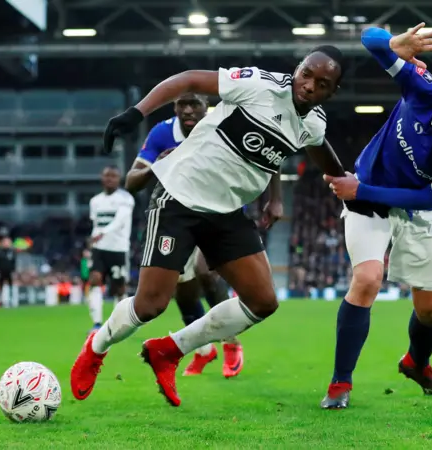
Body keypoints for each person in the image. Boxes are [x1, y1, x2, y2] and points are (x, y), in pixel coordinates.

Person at [71, 46, 347, 406]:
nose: (310, 86)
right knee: (151, 304)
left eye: (322, 83)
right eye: (306, 74)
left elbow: (313, 145)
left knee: (263, 301)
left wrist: (343, 181)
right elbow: (189, 80)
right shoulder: (259, 85)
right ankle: (96, 347)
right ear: (297, 69)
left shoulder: (313, 122)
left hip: (227, 212)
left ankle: (169, 350)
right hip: (179, 197)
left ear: (331, 92)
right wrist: (136, 113)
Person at [321, 23, 432, 408]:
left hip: (408, 205)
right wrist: (392, 43)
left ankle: (418, 362)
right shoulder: (425, 89)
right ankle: (340, 384)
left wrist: (358, 189)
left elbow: (425, 199)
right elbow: (369, 39)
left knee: (431, 312)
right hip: (368, 199)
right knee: (367, 279)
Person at [125, 93, 257, 378]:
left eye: (194, 103)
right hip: (179, 217)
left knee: (205, 271)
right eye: (181, 104)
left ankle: (231, 343)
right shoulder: (163, 132)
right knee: (183, 291)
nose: (187, 110)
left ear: (206, 106)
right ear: (173, 107)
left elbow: (264, 154)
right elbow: (131, 181)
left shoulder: (222, 126)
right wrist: (155, 165)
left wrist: (273, 199)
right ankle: (203, 351)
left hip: (220, 212)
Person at [86, 166, 135, 332]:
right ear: (102, 178)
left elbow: (120, 220)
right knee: (94, 281)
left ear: (119, 179)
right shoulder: (95, 201)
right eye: (107, 176)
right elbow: (96, 224)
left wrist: (103, 232)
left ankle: (119, 325)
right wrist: (93, 240)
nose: (110, 179)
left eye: (113, 176)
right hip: (99, 249)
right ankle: (97, 324)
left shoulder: (125, 199)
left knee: (119, 290)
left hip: (118, 249)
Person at [0, 237, 16, 307]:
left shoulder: (12, 252)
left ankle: (11, 299)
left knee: (11, 286)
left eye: (8, 242)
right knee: (0, 286)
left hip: (9, 272)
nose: (6, 244)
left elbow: (13, 262)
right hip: (1, 272)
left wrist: (13, 271)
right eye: (5, 242)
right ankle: (0, 300)